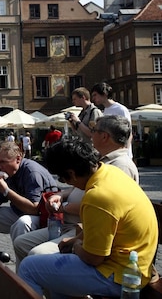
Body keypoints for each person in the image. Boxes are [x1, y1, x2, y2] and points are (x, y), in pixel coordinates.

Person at [18, 139, 157, 299]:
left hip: (120, 275)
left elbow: (94, 258)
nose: (65, 183)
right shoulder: (110, 172)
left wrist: (76, 245)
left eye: (63, 179)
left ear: (71, 173)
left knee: (29, 267)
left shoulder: (97, 197)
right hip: (135, 264)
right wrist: (75, 239)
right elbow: (107, 228)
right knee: (53, 276)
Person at [13, 114, 139, 266]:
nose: (91, 134)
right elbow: (78, 186)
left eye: (94, 130)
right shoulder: (104, 158)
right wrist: (61, 195)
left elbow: (105, 209)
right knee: (22, 243)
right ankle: (28, 287)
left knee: (37, 255)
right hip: (68, 224)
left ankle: (42, 285)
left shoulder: (121, 165)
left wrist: (64, 208)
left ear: (105, 136)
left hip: (84, 230)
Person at [0, 141, 57, 252]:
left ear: (18, 159)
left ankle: (23, 267)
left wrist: (6, 191)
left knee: (22, 223)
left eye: (3, 162)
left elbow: (34, 209)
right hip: (19, 213)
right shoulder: (9, 172)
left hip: (44, 218)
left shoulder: (31, 172)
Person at [91, 82, 133, 158]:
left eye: (95, 95)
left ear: (104, 94)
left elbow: (128, 132)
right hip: (110, 153)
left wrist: (125, 150)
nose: (93, 98)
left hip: (121, 154)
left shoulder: (120, 109)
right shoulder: (105, 111)